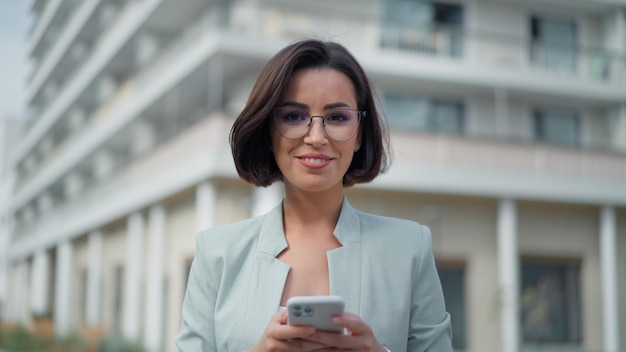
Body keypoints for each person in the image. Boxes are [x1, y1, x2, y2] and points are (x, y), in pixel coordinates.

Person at [176, 39, 452, 351]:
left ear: (360, 134)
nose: (316, 137)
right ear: (268, 130)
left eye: (337, 117)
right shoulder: (217, 253)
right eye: (293, 116)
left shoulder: (410, 248)